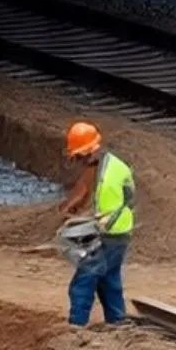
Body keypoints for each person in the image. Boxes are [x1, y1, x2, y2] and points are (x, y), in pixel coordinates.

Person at [58, 122, 136, 324]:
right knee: (109, 280)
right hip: (121, 233)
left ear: (87, 153)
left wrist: (78, 217)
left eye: (79, 157)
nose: (78, 162)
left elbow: (100, 202)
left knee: (84, 280)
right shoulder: (111, 164)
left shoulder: (106, 175)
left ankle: (76, 326)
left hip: (109, 232)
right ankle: (117, 322)